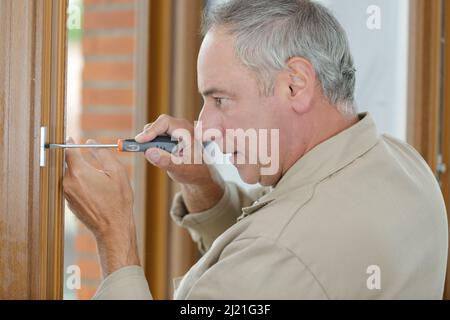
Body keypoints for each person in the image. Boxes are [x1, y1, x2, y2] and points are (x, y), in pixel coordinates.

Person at [63, 0, 448, 299]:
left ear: (296, 85)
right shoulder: (402, 163)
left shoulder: (284, 250)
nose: (205, 129)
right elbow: (275, 243)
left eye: (220, 100)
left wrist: (114, 234)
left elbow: (275, 251)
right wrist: (203, 185)